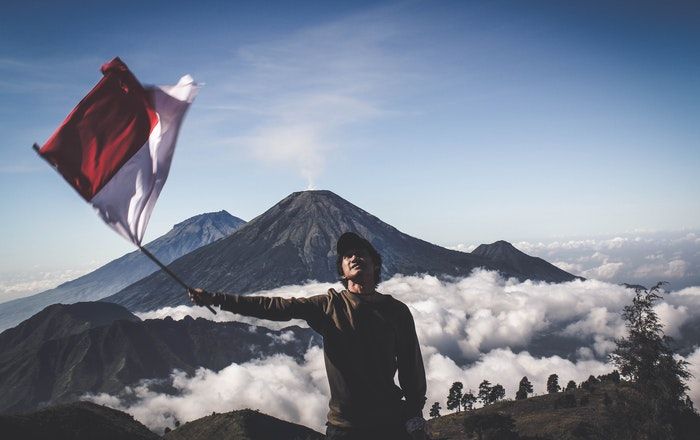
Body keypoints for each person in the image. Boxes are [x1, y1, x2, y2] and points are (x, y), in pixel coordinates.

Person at [188, 232, 428, 440]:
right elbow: (276, 307)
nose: (354, 257)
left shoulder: (396, 311)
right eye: (347, 256)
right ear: (343, 272)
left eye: (360, 253)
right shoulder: (329, 305)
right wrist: (218, 298)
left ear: (375, 264)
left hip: (389, 423)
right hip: (345, 428)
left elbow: (410, 366)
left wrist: (415, 415)